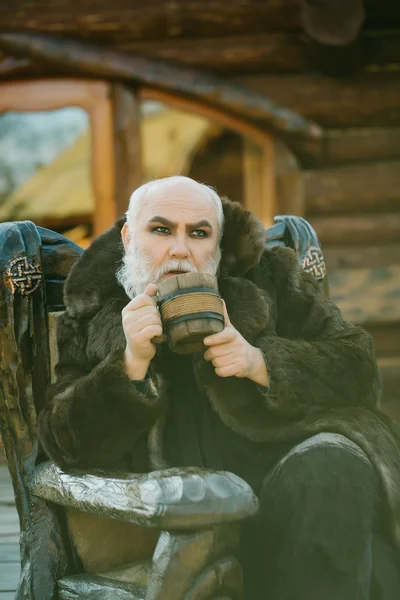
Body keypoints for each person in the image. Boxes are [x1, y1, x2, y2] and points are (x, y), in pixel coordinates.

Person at [38, 176, 400, 599]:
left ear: (218, 243)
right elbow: (62, 440)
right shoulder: (95, 306)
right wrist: (129, 364)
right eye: (161, 230)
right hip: (182, 518)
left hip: (291, 491)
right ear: (128, 236)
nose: (179, 249)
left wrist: (260, 362)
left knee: (334, 473)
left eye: (198, 233)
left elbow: (358, 365)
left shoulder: (271, 278)